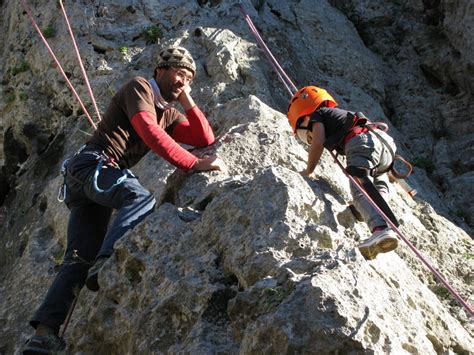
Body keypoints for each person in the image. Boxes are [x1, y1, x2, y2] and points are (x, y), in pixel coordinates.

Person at [23, 46, 223, 354]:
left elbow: (204, 138)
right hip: (94, 165)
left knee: (78, 258)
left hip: (91, 181)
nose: (183, 80)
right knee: (140, 198)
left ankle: (43, 335)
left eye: (188, 77)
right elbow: (148, 132)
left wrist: (185, 97)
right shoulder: (139, 87)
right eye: (178, 73)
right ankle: (105, 264)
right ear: (161, 70)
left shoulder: (168, 112)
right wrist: (194, 164)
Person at [287, 86, 399, 261]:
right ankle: (363, 210)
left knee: (359, 187)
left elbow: (318, 141)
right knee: (378, 181)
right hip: (385, 145)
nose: (308, 138)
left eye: (305, 135)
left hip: (360, 142)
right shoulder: (340, 115)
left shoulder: (318, 115)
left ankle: (380, 229)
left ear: (304, 117)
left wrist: (309, 170)